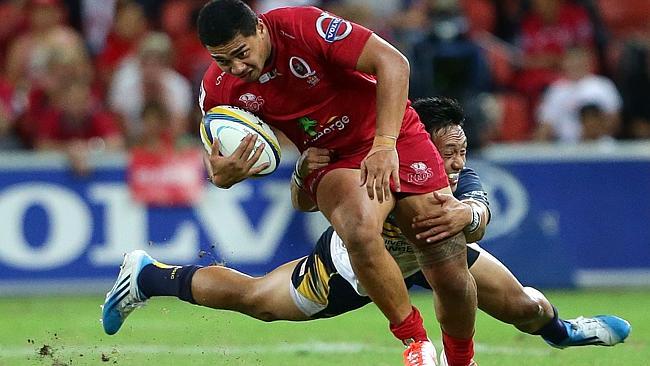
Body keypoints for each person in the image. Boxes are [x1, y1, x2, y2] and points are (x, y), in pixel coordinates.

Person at [102, 97, 631, 366]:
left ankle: (566, 332)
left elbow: (480, 210)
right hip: (353, 269)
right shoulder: (378, 169)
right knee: (257, 299)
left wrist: (466, 219)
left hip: (431, 255)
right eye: (447, 151)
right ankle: (149, 276)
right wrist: (307, 171)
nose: (456, 162)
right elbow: (307, 201)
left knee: (524, 308)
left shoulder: (455, 178)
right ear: (414, 145)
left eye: (461, 152)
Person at [197, 1, 478, 365]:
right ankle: (415, 342)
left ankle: (461, 359)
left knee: (448, 262)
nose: (236, 67)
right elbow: (217, 164)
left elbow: (393, 62)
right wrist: (222, 177)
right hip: (330, 158)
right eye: (223, 61)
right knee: (358, 229)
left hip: (390, 132)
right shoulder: (218, 90)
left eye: (241, 53)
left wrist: (384, 145)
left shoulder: (303, 25)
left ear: (260, 29)